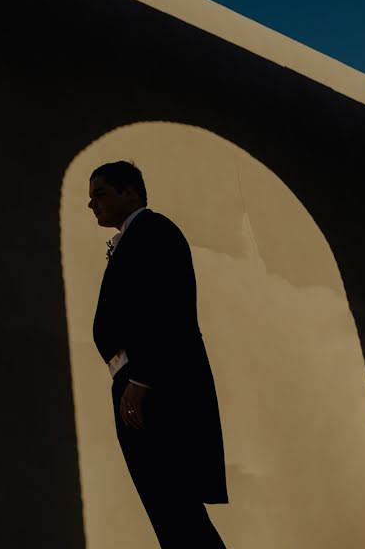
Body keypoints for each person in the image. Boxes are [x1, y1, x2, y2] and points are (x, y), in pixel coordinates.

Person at [89, 161, 228, 548]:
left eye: (100, 193)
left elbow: (168, 307)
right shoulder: (134, 237)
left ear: (130, 192)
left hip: (155, 388)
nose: (91, 204)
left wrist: (141, 378)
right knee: (168, 512)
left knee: (177, 508)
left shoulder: (154, 231)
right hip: (136, 384)